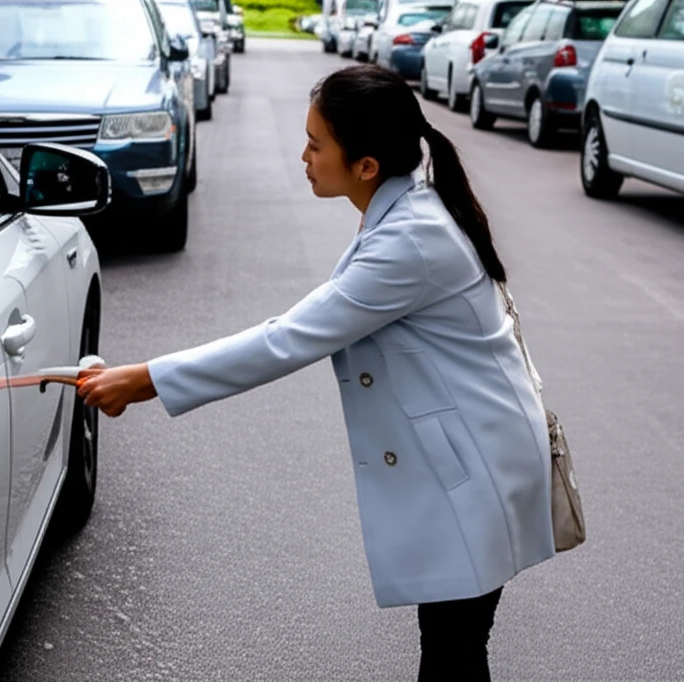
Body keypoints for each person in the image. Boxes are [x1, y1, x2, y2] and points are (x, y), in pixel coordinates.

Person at [76, 64, 555, 681]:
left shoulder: (409, 239)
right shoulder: (408, 209)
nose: (302, 155)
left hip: (476, 474)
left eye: (316, 143)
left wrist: (143, 379)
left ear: (366, 165)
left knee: (453, 654)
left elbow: (288, 339)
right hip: (474, 461)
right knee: (453, 651)